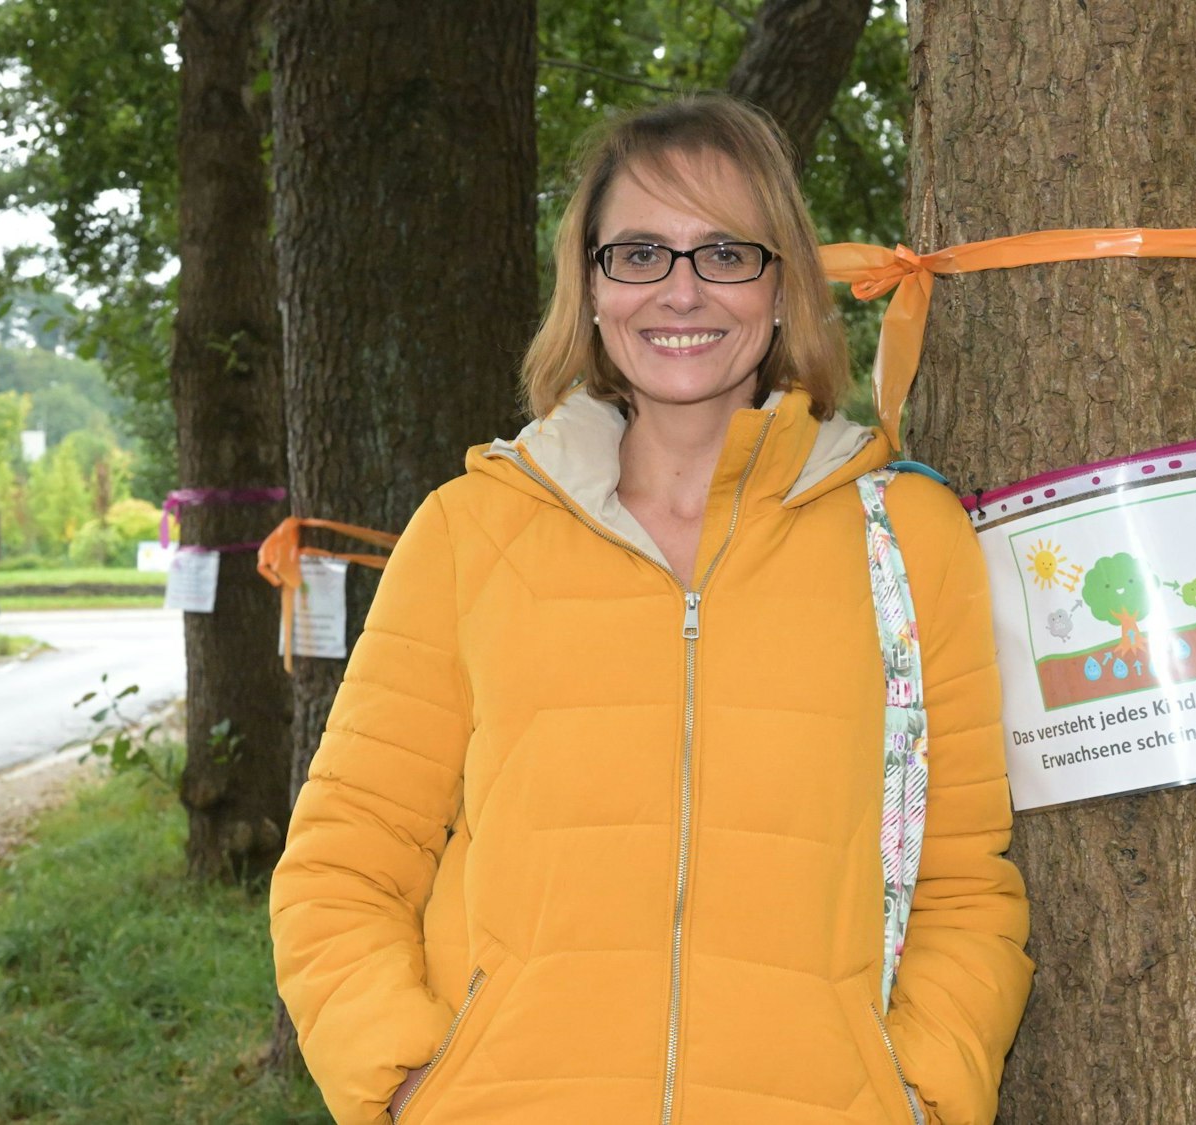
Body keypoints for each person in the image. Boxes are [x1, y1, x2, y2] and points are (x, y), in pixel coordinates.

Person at [270, 95, 1031, 1125]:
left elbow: (960, 880)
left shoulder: (906, 539)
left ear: (781, 286)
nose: (680, 291)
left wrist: (917, 1092)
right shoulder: (470, 531)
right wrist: (409, 1083)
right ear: (587, 285)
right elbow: (344, 858)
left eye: (725, 253)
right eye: (638, 254)